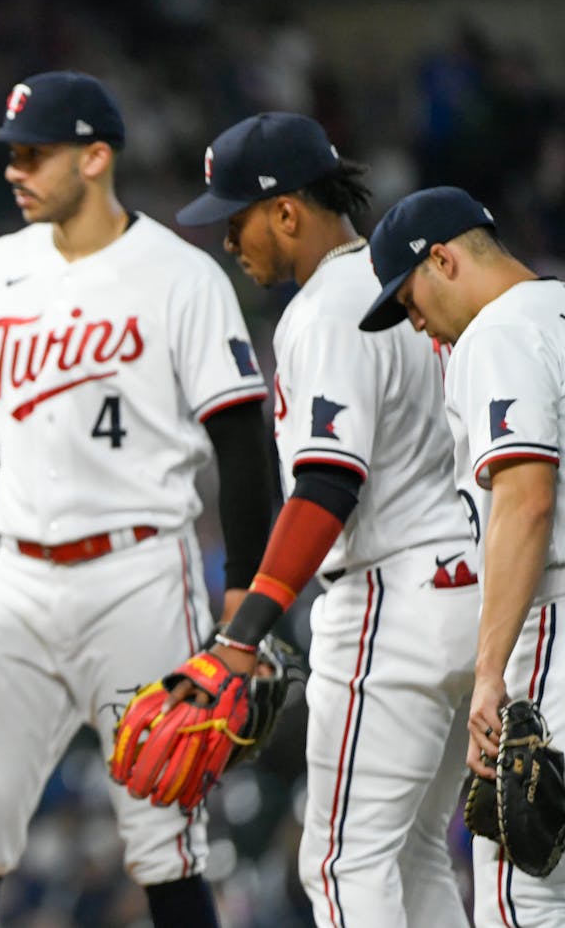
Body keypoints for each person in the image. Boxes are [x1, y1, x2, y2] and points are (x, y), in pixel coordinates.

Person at [0, 71, 276, 928]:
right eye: (12, 153)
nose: (14, 169)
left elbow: (244, 445)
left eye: (33, 153)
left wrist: (243, 619)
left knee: (167, 845)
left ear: (95, 157)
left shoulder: (180, 277)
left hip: (141, 577)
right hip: (19, 581)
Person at [171, 114, 477, 926]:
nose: (227, 239)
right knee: (413, 855)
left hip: (391, 597)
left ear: (287, 211)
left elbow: (328, 483)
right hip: (475, 587)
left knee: (341, 861)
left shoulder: (330, 305)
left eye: (234, 218)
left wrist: (245, 630)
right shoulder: (417, 284)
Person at [360, 186, 565, 926]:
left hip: (554, 629)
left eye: (408, 297)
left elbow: (526, 498)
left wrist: (489, 672)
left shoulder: (499, 332)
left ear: (442, 259)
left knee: (527, 899)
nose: (414, 322)